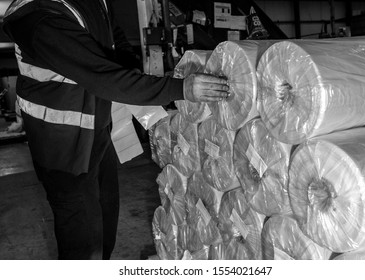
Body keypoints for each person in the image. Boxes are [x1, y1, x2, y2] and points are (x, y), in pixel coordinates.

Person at [2, 0, 229, 260]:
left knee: (105, 225)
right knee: (83, 243)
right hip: (62, 148)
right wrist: (180, 89)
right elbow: (102, 74)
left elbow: (113, 40)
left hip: (95, 133)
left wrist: (133, 71)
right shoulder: (39, 19)